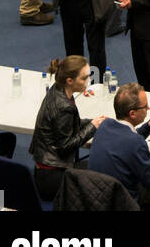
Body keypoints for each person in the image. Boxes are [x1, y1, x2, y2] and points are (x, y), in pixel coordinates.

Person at [87, 80, 150, 209]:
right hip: (124, 204)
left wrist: (148, 126)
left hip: (98, 198)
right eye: (145, 106)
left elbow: (125, 142)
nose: (148, 108)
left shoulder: (105, 125)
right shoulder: (136, 143)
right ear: (132, 113)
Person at [30, 55, 105, 203]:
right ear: (70, 81)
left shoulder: (58, 89)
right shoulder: (63, 107)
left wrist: (92, 122)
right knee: (102, 183)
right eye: (83, 78)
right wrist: (92, 127)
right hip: (52, 177)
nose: (88, 81)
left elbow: (66, 125)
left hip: (45, 165)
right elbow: (65, 147)